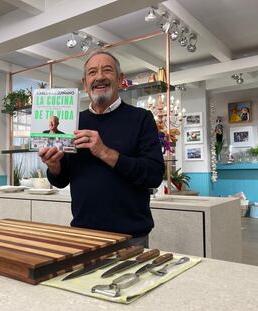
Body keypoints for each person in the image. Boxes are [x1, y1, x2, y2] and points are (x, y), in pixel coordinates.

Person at [38, 50, 164, 247]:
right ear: (85, 83)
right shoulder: (73, 122)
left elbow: (154, 175)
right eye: (92, 72)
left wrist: (105, 152)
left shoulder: (141, 118)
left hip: (131, 238)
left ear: (120, 79)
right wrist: (54, 166)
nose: (99, 77)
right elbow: (61, 181)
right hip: (83, 234)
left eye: (107, 70)